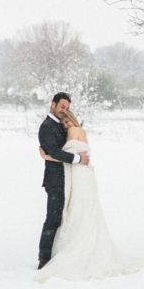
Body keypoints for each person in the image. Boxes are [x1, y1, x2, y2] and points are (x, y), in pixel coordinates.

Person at [35, 103, 143, 282]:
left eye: (68, 121)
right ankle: (82, 245)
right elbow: (71, 155)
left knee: (79, 209)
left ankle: (74, 249)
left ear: (73, 118)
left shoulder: (72, 132)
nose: (66, 125)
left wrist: (46, 156)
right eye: (64, 123)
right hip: (81, 174)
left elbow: (62, 154)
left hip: (79, 174)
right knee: (82, 209)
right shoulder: (79, 132)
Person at [37, 92, 90, 270]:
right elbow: (55, 151)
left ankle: (61, 253)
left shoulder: (63, 125)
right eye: (61, 107)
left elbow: (54, 152)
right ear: (52, 104)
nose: (64, 111)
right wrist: (76, 159)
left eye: (67, 108)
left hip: (69, 179)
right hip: (55, 181)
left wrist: (48, 156)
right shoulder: (46, 127)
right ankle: (44, 258)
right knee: (53, 218)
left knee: (65, 218)